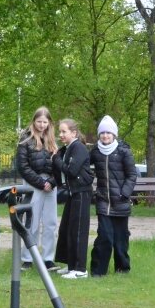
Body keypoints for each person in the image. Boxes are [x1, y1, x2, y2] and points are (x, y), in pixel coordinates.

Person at [89, 115, 137, 276]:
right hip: (103, 202)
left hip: (121, 202)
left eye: (108, 133)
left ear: (114, 134)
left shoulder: (124, 151)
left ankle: (122, 268)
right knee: (104, 237)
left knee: (121, 238)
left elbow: (132, 175)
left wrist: (125, 193)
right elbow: (83, 165)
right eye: (102, 133)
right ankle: (98, 271)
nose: (105, 136)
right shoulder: (95, 151)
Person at [15, 106, 60, 272]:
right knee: (32, 222)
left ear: (49, 123)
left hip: (51, 184)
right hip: (33, 184)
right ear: (34, 121)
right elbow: (23, 166)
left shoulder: (53, 141)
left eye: (45, 122)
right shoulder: (25, 140)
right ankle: (28, 258)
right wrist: (41, 183)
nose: (42, 125)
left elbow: (59, 165)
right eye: (39, 121)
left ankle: (48, 258)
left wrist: (52, 182)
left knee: (50, 223)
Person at [54, 118, 93, 279]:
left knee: (78, 230)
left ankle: (80, 269)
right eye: (60, 131)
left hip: (82, 193)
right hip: (73, 193)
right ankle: (71, 266)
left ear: (74, 133)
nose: (60, 135)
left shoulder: (79, 148)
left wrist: (55, 159)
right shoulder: (69, 148)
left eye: (64, 131)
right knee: (68, 229)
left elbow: (71, 171)